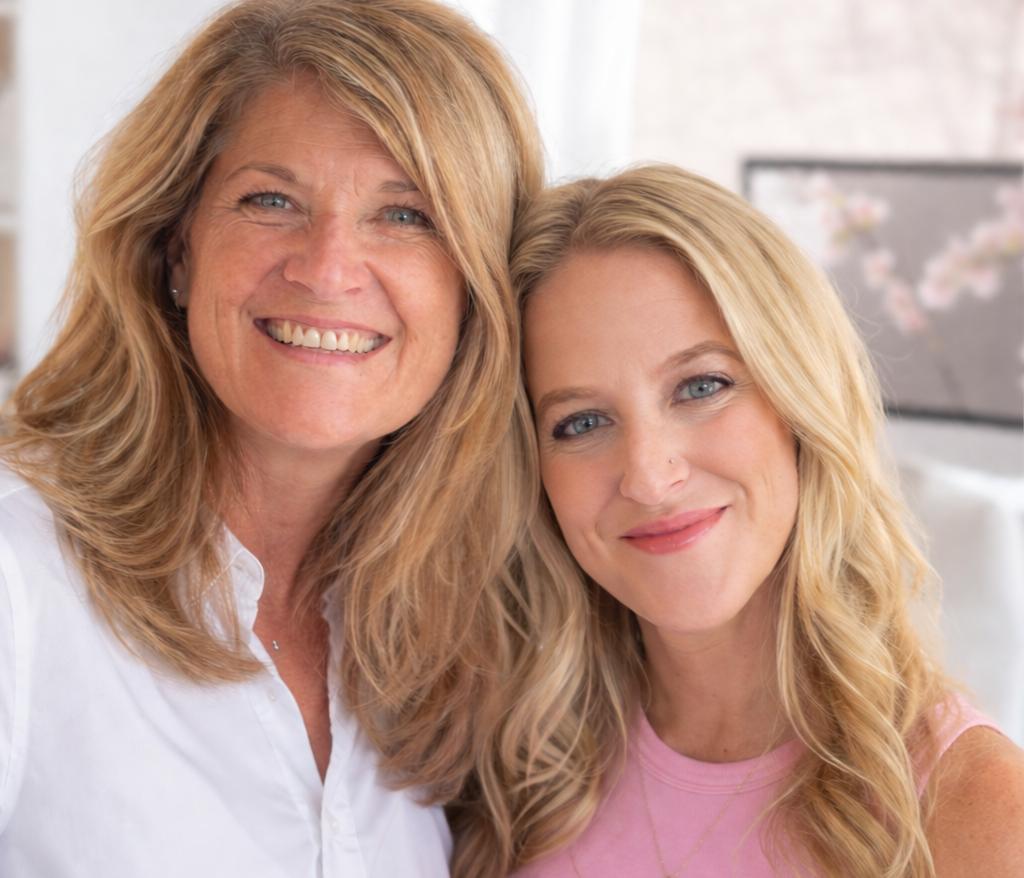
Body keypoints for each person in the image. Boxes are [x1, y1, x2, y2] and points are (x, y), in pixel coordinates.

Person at [0, 0, 545, 875]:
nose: (327, 267)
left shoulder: (479, 631)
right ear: (177, 251)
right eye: (271, 200)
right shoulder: (19, 574)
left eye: (406, 215)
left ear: (475, 287)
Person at [449, 164, 1024, 877]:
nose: (650, 477)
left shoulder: (975, 807)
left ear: (799, 402)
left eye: (701, 386)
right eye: (582, 422)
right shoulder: (510, 778)